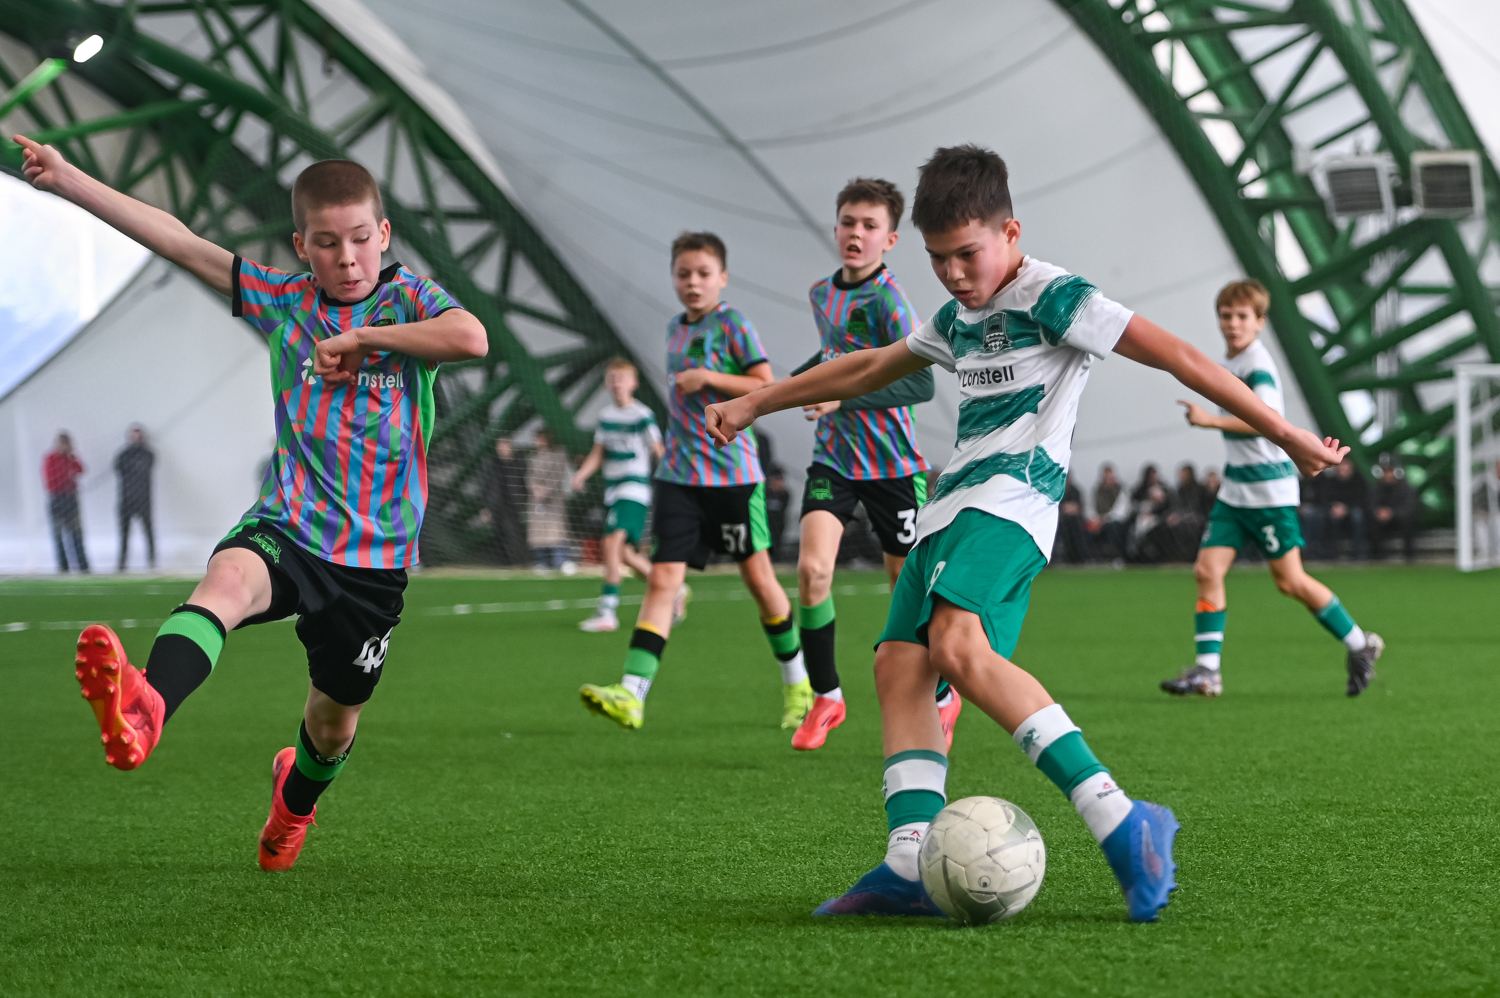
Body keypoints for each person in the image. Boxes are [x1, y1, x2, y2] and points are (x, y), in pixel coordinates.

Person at [706, 145, 1346, 922]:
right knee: (899, 665)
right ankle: (909, 862)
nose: (953, 274)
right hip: (950, 508)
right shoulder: (956, 316)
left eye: (967, 253)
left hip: (1014, 504)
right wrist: (757, 402)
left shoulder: (1055, 295)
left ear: (1010, 232)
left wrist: (1286, 432)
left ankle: (1123, 819)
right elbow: (868, 368)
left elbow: (1177, 355)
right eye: (938, 258)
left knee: (957, 646)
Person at [18, 134, 487, 870]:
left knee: (331, 728)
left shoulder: (411, 301)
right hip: (290, 526)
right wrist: (68, 178)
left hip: (373, 563)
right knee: (227, 581)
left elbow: (472, 337)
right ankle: (147, 706)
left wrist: (367, 337)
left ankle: (292, 808)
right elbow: (179, 240)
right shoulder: (285, 301)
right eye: (326, 243)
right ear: (302, 247)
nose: (347, 257)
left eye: (360, 239)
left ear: (383, 234)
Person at [578, 232, 807, 731]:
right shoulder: (673, 329)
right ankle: (632, 693)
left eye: (703, 273)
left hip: (733, 478)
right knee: (663, 579)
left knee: (759, 581)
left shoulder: (734, 325)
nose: (693, 283)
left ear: (722, 278)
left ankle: (798, 684)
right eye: (683, 274)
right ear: (673, 279)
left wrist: (709, 378)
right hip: (678, 477)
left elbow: (766, 383)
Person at [787, 177, 957, 752]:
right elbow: (835, 356)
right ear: (835, 227)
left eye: (869, 225)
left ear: (890, 239)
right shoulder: (821, 293)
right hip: (833, 459)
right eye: (848, 222)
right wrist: (790, 387)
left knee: (904, 592)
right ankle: (826, 697)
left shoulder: (889, 301)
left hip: (893, 467)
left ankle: (941, 697)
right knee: (812, 572)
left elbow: (919, 383)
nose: (855, 233)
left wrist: (841, 398)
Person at [1163, 279, 1383, 700]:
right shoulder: (1232, 362)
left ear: (1260, 322)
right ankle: (1208, 672)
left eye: (1242, 316)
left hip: (1268, 494)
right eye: (1226, 316)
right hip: (1235, 490)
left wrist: (1211, 420)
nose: (1232, 323)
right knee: (1207, 571)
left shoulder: (1257, 365)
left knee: (1291, 581)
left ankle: (1360, 644)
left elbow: (1266, 419)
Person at [572, 358, 668, 631]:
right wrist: (582, 474)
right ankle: (673, 589)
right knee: (624, 554)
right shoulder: (605, 417)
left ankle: (607, 612)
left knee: (611, 543)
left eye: (622, 378)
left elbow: (657, 449)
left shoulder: (642, 414)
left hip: (634, 488)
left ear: (634, 383)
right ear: (606, 383)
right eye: (612, 379)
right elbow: (598, 453)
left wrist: (671, 478)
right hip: (613, 491)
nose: (617, 384)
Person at [527, 428, 574, 572]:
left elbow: (557, 475)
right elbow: (529, 476)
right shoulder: (533, 457)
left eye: (538, 438)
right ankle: (541, 562)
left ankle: (562, 560)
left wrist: (546, 490)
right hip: (537, 501)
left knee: (556, 531)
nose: (535, 441)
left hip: (554, 500)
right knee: (538, 533)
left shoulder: (559, 454)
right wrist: (535, 489)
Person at [43, 430, 89, 573]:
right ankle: (63, 567)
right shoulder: (51, 458)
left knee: (76, 533)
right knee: (58, 534)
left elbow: (81, 469)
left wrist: (70, 458)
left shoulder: (71, 458)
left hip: (71, 499)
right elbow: (51, 479)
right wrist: (67, 480)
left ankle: (83, 566)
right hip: (57, 499)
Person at [481, 437, 528, 566]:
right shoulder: (493, 465)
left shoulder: (519, 464)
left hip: (514, 505)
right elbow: (486, 487)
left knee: (514, 535)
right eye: (499, 446)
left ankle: (519, 563)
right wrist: (486, 507)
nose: (501, 449)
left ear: (510, 447)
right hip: (497, 506)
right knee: (498, 535)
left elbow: (524, 484)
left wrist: (524, 500)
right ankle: (503, 564)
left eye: (504, 446)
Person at [114, 424, 156, 571]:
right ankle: (122, 564)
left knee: (148, 532)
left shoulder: (148, 454)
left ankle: (151, 562)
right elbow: (118, 468)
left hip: (143, 500)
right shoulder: (124, 454)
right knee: (124, 534)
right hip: (126, 500)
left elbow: (146, 466)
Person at [1371, 463, 1417, 562]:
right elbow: (1372, 504)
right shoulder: (1377, 487)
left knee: (1406, 522)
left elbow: (1409, 506)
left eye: (1390, 471)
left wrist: (1392, 513)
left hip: (1399, 519)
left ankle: (1409, 555)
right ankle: (1378, 555)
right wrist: (1379, 512)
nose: (1388, 475)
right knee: (1372, 523)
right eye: (1385, 472)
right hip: (1382, 520)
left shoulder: (1405, 487)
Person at [1325, 458, 1370, 560]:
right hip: (1336, 510)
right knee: (1327, 516)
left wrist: (1346, 508)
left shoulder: (1359, 480)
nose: (1343, 468)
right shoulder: (1331, 481)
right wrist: (1334, 507)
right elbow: (1326, 498)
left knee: (1357, 516)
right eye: (1341, 465)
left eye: (1346, 465)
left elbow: (1362, 499)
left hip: (1353, 509)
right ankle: (1332, 552)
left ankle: (1358, 552)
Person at [1091, 463, 1127, 559]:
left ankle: (1112, 555)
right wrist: (1097, 519)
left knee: (1112, 528)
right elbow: (1091, 507)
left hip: (1114, 520)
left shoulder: (1119, 490)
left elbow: (1120, 510)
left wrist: (1105, 518)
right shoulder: (1097, 490)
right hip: (1098, 520)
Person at [1055, 473, 1091, 564]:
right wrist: (1066, 508)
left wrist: (1065, 507)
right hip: (1060, 520)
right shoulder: (1056, 490)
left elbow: (1077, 508)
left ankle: (1079, 556)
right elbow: (1058, 507)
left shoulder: (1075, 491)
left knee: (1076, 527)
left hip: (1074, 520)